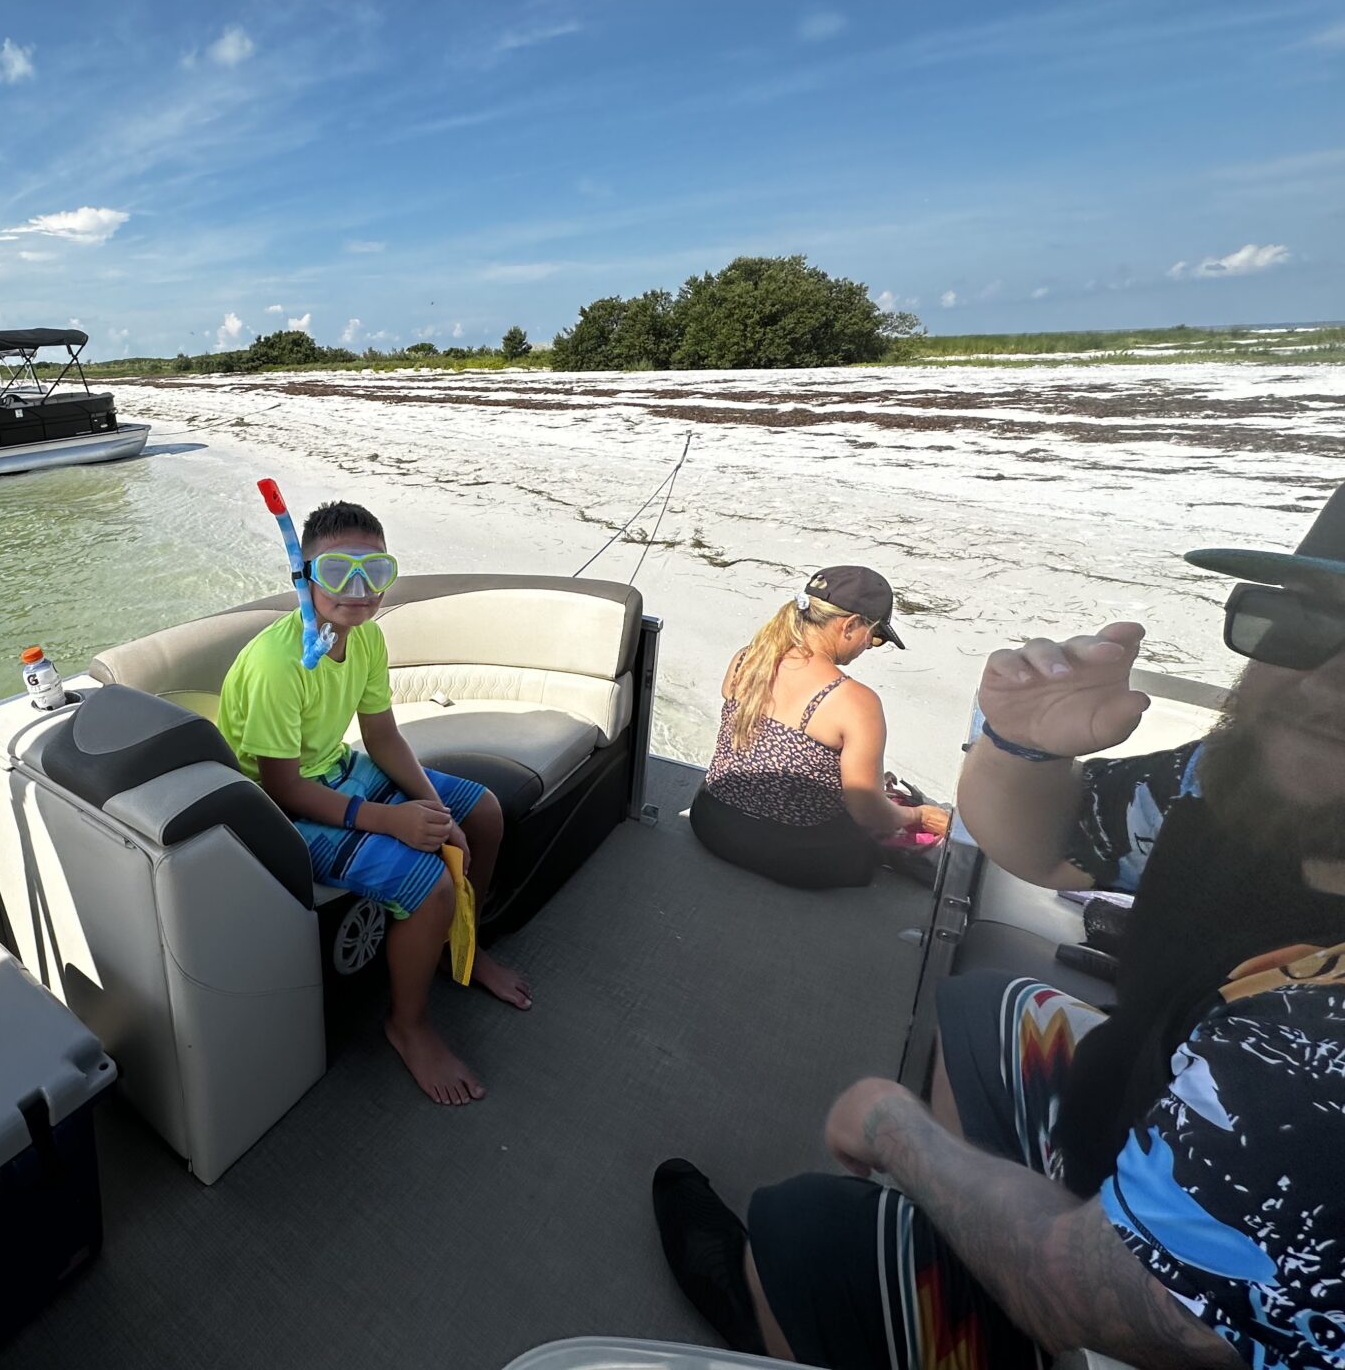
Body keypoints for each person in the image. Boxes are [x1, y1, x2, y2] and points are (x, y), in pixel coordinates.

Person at [654, 485, 1345, 1370]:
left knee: (799, 1222)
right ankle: (964, 1248)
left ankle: (798, 1303)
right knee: (982, 1002)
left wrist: (898, 1130)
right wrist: (1023, 748)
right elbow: (1052, 847)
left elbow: (1122, 1295)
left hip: (1167, 1304)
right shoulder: (1238, 775)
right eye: (1303, 623)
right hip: (1137, 1096)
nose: (1328, 685)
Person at [217, 499, 532, 1106]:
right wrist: (391, 819)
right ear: (304, 575)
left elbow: (383, 736)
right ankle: (408, 1025)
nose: (358, 590)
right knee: (432, 884)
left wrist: (431, 807)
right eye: (338, 572)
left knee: (483, 812)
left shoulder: (365, 641)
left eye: (375, 572)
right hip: (273, 810)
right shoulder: (277, 665)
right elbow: (282, 788)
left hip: (337, 771)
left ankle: (463, 946)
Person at [689, 566, 950, 889]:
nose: (870, 646)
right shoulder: (855, 701)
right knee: (901, 817)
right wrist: (921, 816)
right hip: (797, 856)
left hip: (712, 823)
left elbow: (765, 752)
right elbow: (870, 815)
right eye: (876, 636)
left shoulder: (747, 659)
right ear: (851, 625)